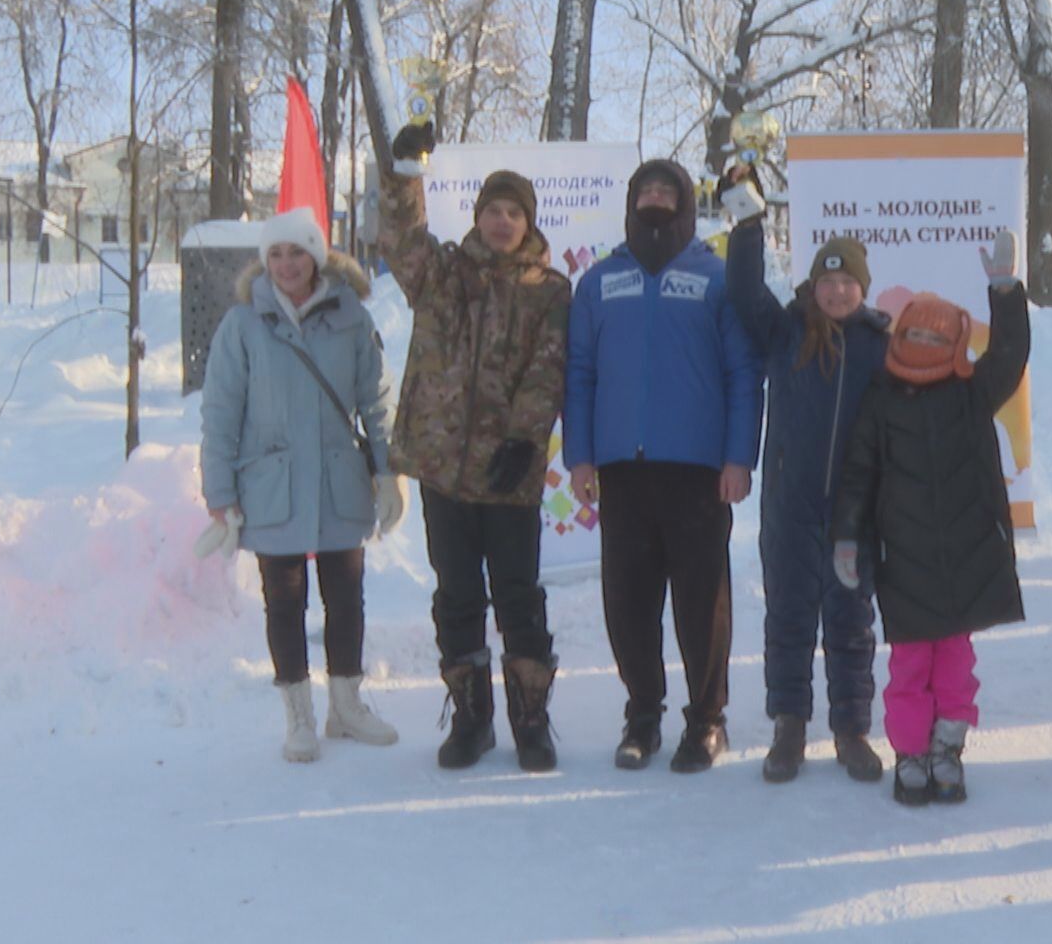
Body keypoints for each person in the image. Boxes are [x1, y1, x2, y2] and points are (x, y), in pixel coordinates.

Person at [380, 122, 571, 773]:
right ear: (478, 215)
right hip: (442, 470)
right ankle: (471, 718)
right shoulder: (442, 276)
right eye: (491, 209)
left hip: (507, 475)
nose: (500, 221)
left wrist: (523, 439)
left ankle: (531, 720)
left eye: (513, 212)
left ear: (528, 223)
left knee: (518, 596)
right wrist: (406, 174)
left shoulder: (549, 293)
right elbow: (401, 241)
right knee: (456, 595)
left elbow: (548, 371)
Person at [565, 159, 764, 774]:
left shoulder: (715, 277)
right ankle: (642, 715)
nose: (654, 200)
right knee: (627, 600)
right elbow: (579, 374)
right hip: (623, 468)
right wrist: (579, 456)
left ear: (684, 204)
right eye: (644, 191)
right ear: (630, 202)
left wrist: (738, 456)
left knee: (703, 603)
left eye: (665, 192)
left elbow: (742, 374)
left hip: (697, 470)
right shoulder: (598, 283)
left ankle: (706, 720)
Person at [831, 230, 1029, 806]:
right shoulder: (881, 396)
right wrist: (848, 537)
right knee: (910, 668)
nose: (921, 341)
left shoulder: (972, 393)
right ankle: (910, 753)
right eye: (913, 331)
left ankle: (948, 749)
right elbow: (857, 475)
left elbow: (1011, 354)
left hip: (967, 555)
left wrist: (1005, 289)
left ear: (954, 342)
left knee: (957, 666)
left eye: (934, 336)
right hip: (906, 561)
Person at [198, 208, 403, 763]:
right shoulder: (244, 324)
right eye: (276, 254)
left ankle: (346, 707)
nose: (287, 264)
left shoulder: (352, 318)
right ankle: (298, 716)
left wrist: (387, 472)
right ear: (266, 262)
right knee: (284, 605)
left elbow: (377, 401)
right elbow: (220, 413)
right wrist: (220, 494)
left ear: (316, 256)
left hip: (339, 481)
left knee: (346, 600)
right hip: (273, 485)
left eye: (297, 252)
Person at [725, 167, 887, 784]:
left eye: (848, 281)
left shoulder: (880, 343)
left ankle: (851, 731)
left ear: (862, 289)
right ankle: (788, 729)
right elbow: (743, 291)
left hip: (854, 512)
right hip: (790, 507)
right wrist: (746, 222)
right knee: (788, 617)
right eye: (828, 279)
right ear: (813, 285)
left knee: (850, 622)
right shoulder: (785, 329)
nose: (838, 290)